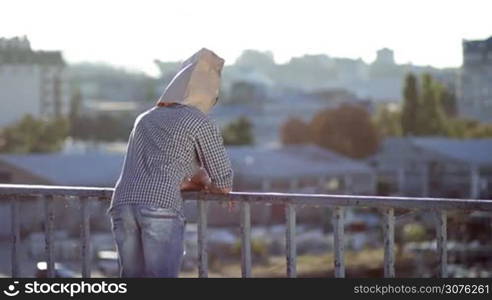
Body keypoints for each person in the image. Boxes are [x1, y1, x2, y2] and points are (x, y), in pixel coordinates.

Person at [108, 48, 233, 278]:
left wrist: (194, 179)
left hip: (122, 204)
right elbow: (223, 181)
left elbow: (156, 168)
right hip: (160, 206)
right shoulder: (199, 121)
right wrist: (213, 187)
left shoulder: (145, 118)